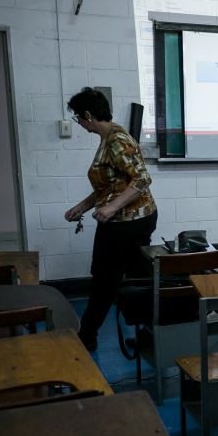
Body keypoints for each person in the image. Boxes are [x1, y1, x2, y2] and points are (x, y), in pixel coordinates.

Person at [64, 87, 158, 352]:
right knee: (139, 279)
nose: (79, 124)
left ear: (87, 115)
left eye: (78, 119)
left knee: (105, 279)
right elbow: (111, 185)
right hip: (126, 219)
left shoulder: (117, 140)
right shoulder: (107, 139)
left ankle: (87, 337)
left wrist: (111, 208)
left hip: (128, 222)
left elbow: (143, 179)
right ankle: (148, 337)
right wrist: (83, 206)